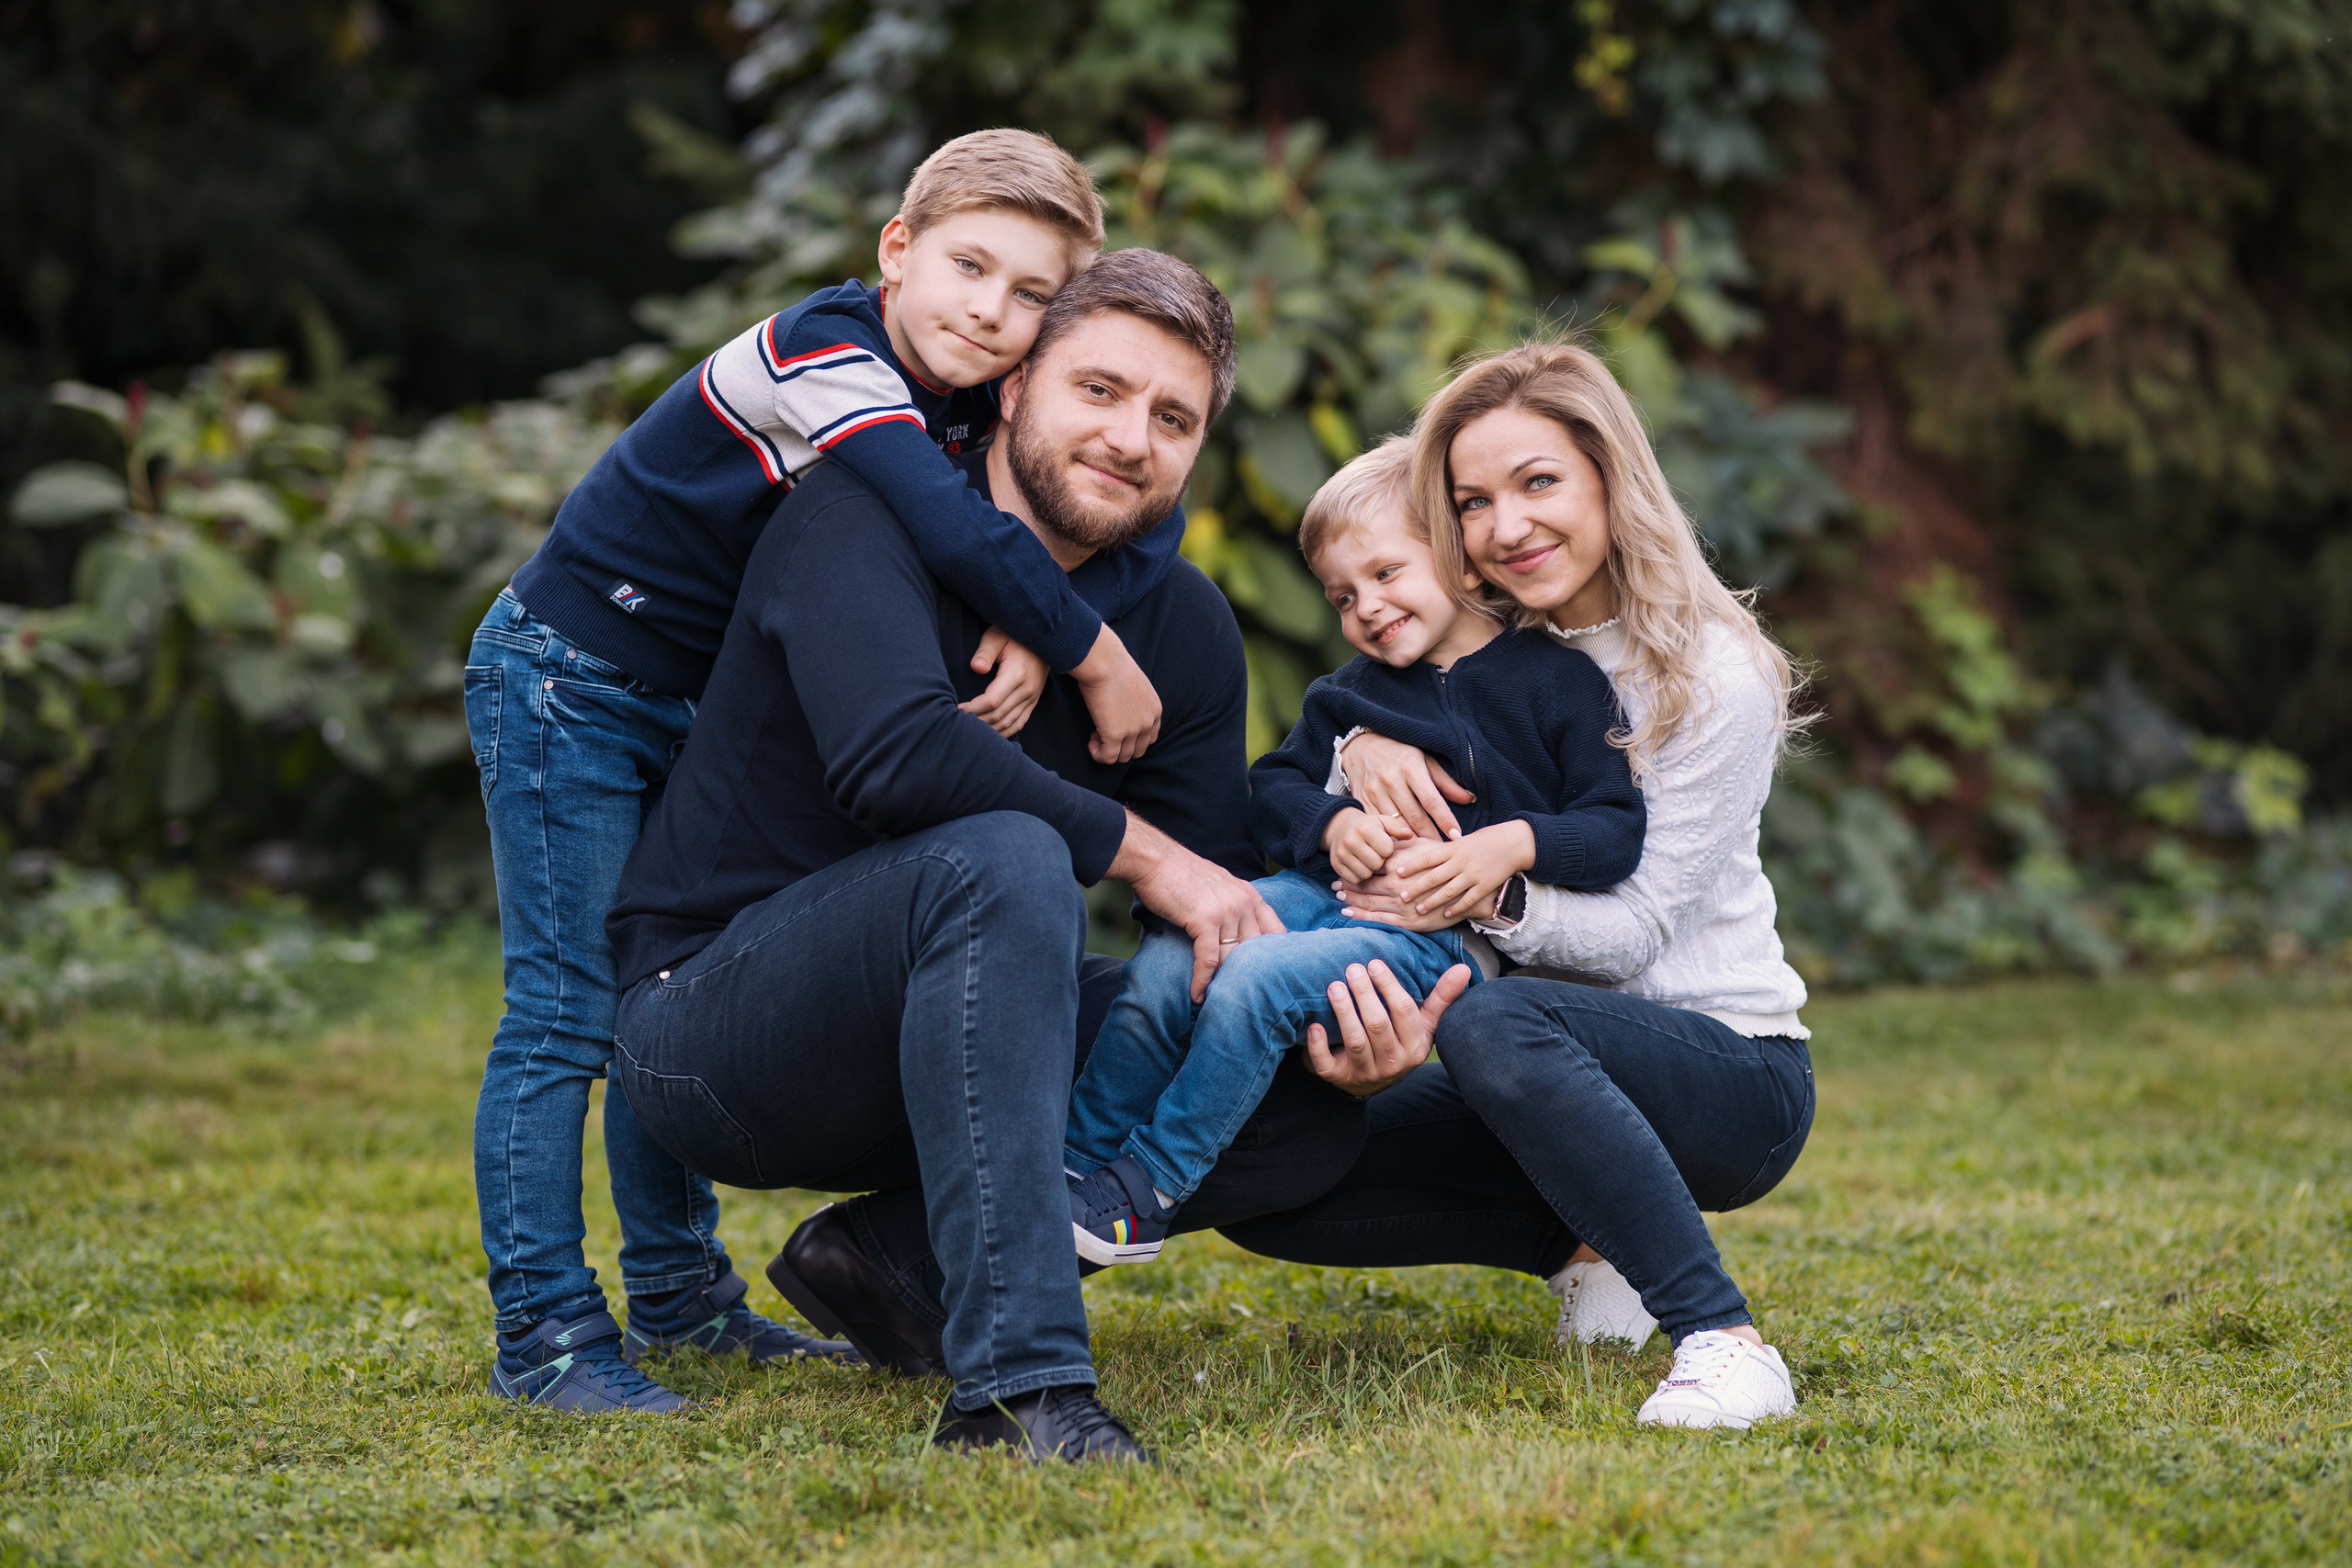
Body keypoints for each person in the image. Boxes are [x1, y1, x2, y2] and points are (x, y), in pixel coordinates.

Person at [603, 249, 1365, 1464]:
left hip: (966, 1045)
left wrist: (1314, 1012)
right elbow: (894, 756)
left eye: (1173, 418)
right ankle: (1017, 1389)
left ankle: (894, 1260)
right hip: (719, 1037)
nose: (1132, 438)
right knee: (1004, 852)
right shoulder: (859, 510)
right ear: (1013, 389)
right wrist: (1146, 854)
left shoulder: (1180, 626)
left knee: (1284, 1078)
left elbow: (1206, 910)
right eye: (1100, 391)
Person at [465, 130, 1184, 1414]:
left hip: (694, 695)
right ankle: (547, 1334)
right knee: (571, 1006)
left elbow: (1128, 515)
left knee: (667, 966)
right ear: (895, 251)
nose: (994, 311)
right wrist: (1088, 647)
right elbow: (940, 512)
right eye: (971, 266)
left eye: (1032, 297)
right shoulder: (825, 354)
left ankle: (683, 1301)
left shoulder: (972, 392)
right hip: (571, 673)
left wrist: (1033, 614)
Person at [1225, 341, 1818, 1432]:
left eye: (1538, 482)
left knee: (1501, 1019)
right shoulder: (1483, 640)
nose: (1506, 527)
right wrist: (1358, 755)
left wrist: (1482, 882)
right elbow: (1336, 748)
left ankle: (1722, 1341)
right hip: (1516, 1055)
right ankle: (1599, 1245)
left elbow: (1634, 937)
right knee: (1273, 1151)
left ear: (1607, 476)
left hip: (1725, 1069)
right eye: (1472, 501)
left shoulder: (1706, 671)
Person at [1059, 436, 1645, 1267]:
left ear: (1463, 564)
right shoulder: (1349, 694)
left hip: (1441, 940)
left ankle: (1147, 1187)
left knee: (1253, 979)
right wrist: (1331, 824)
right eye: (1342, 594)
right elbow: (1273, 789)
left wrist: (1513, 846)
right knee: (1183, 945)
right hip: (1322, 893)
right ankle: (1072, 1171)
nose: (1365, 607)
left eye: (1385, 575)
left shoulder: (1559, 684)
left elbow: (1614, 826)